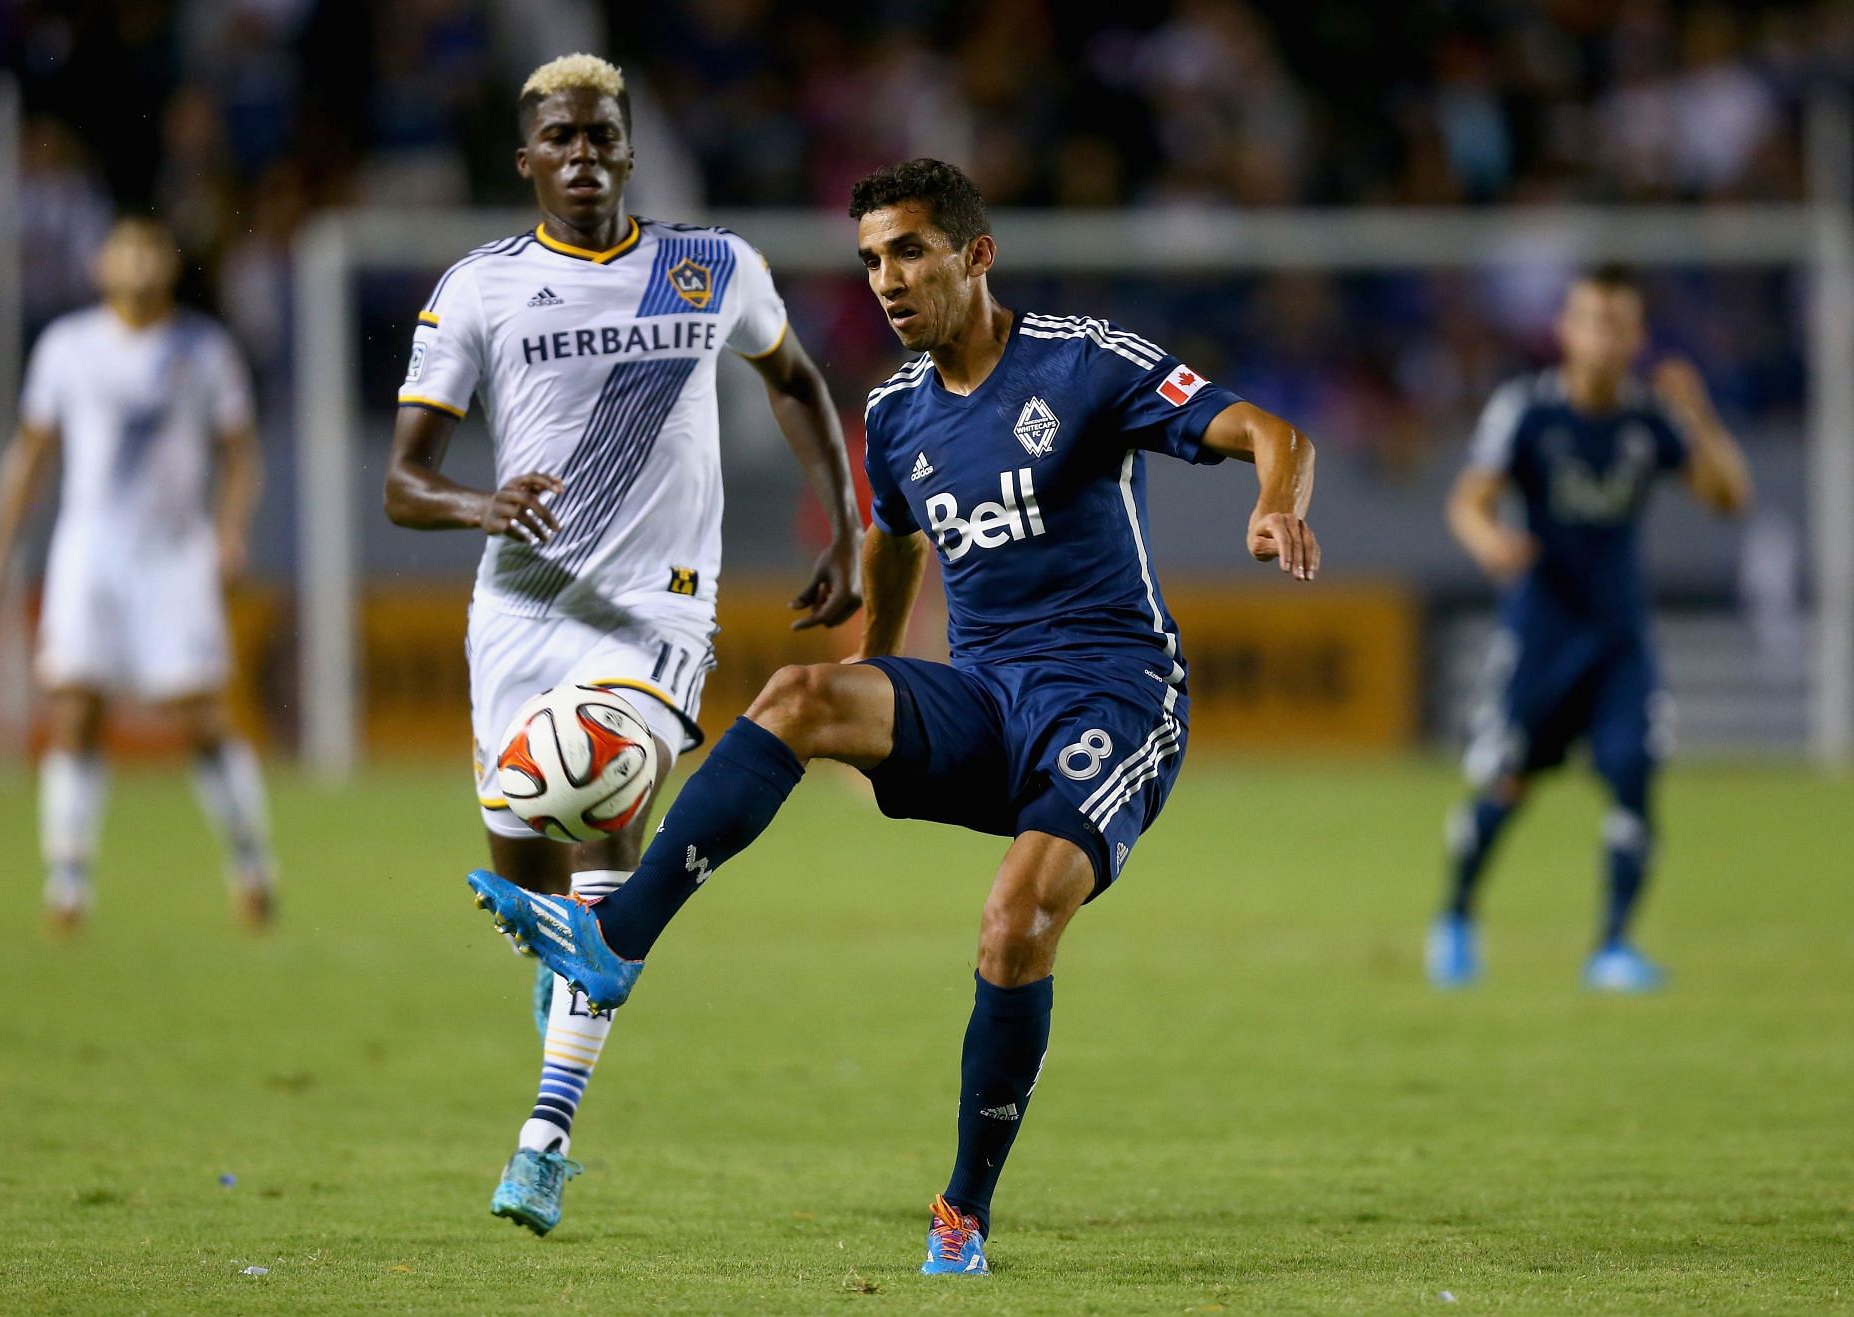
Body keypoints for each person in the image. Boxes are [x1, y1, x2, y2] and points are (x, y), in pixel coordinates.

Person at [463, 158, 1320, 1274]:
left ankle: (963, 1208)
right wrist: (874, 697)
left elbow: (1271, 431)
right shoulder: (897, 412)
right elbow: (896, 538)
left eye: (910, 251)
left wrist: (1272, 507)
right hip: (984, 696)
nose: (886, 279)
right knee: (801, 693)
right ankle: (614, 944)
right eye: (871, 259)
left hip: (1112, 694)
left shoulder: (1080, 360)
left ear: (976, 255)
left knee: (1015, 925)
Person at [382, 53, 862, 1237]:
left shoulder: (710, 267)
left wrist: (845, 528)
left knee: (598, 789)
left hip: (656, 615)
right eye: (561, 138)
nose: (584, 155)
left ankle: (543, 1143)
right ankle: (568, 955)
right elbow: (403, 482)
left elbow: (794, 380)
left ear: (629, 149)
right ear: (527, 160)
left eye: (603, 135)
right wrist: (476, 505)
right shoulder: (480, 289)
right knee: (530, 865)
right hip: (517, 613)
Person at [1431, 265, 1751, 992]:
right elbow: (1469, 500)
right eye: (1590, 321)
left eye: (1617, 324)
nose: (1602, 338)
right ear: (1566, 330)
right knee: (1505, 783)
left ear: (1636, 337)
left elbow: (1729, 498)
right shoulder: (1527, 410)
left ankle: (1611, 945)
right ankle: (1454, 917)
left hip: (1618, 639)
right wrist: (1490, 544)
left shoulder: (1652, 418)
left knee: (1636, 775)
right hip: (1540, 635)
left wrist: (1697, 413)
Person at [0, 216, 275, 931]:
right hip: (91, 550)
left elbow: (241, 454)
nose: (135, 264)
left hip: (174, 551)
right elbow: (32, 453)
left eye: (148, 250)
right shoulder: (67, 346)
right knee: (75, 708)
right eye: (122, 251)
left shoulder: (204, 348)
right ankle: (68, 882)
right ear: (101, 265)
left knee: (202, 714)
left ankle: (252, 863)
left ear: (168, 263)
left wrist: (231, 533)